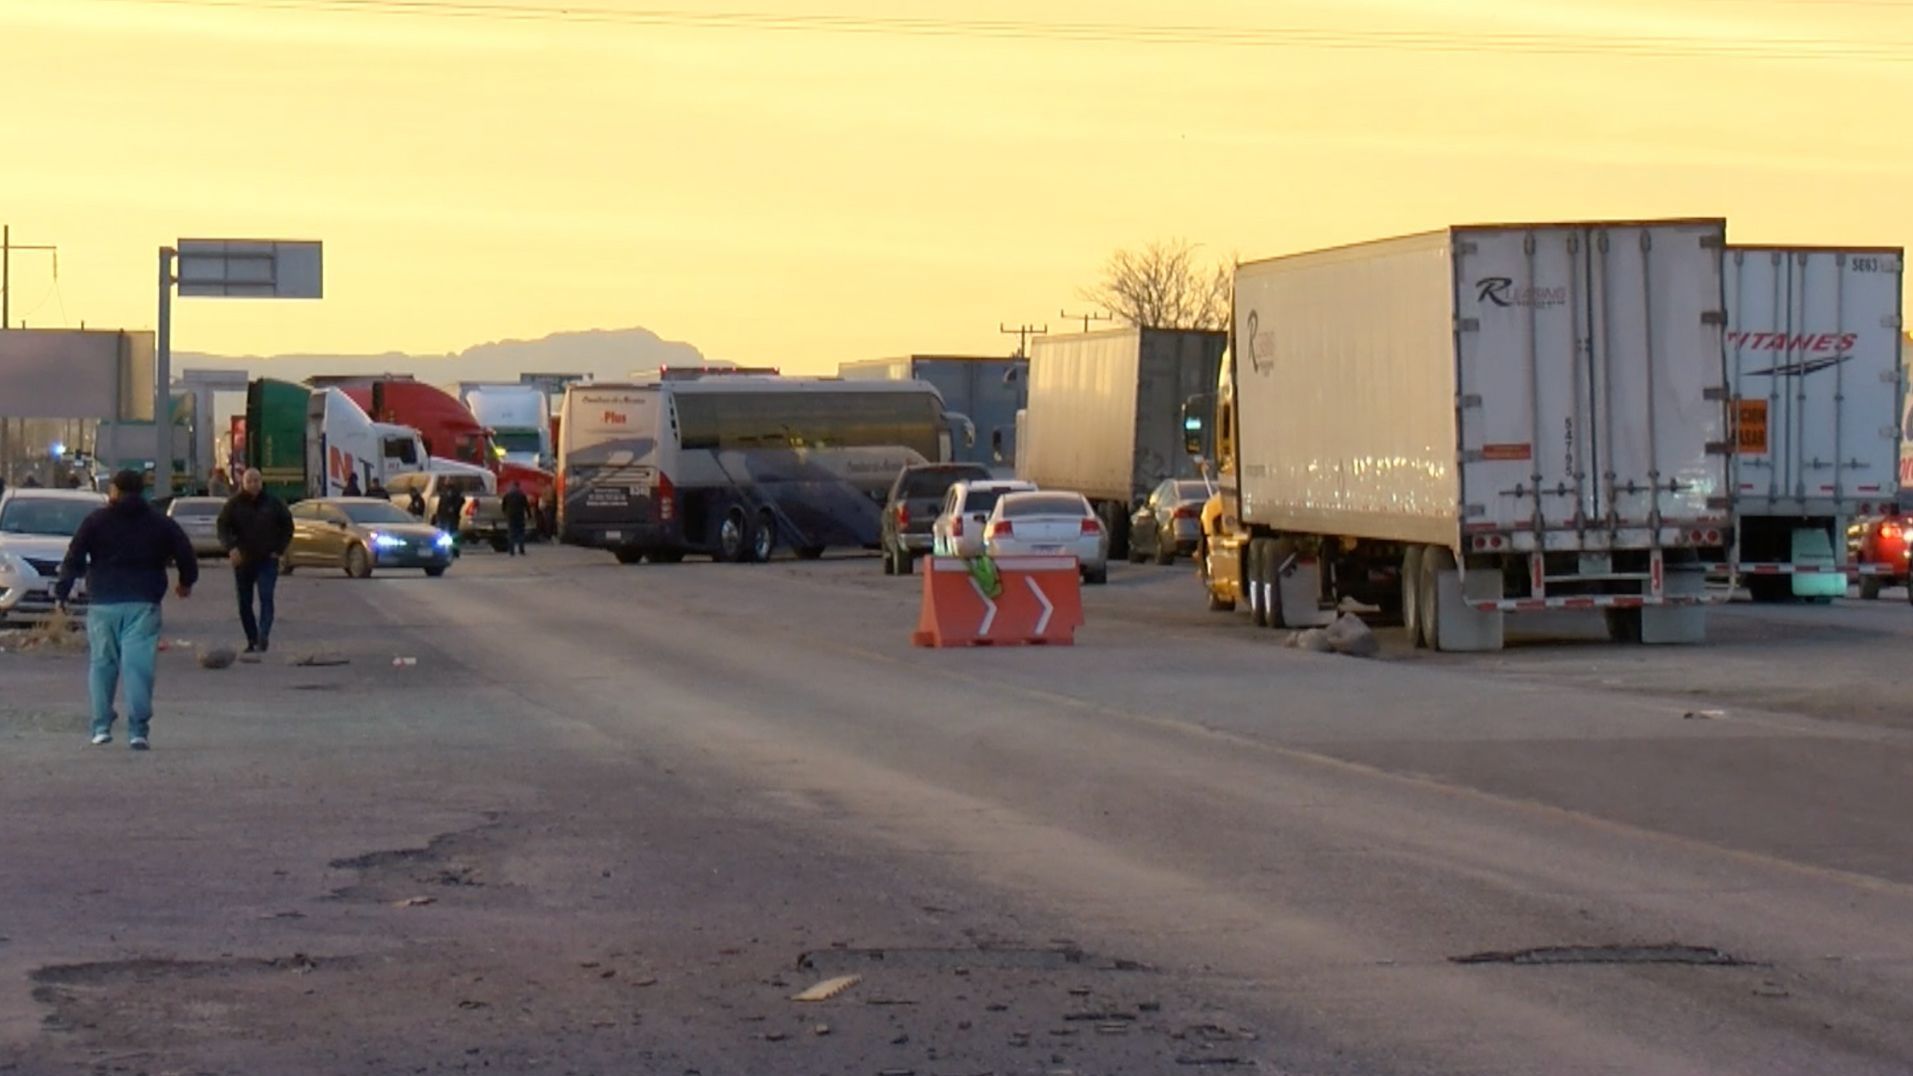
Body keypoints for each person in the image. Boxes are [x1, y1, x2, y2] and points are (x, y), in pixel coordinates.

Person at [53, 470, 198, 751]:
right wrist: (185, 582)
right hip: (143, 602)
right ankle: (138, 731)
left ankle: (101, 727)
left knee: (102, 664)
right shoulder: (159, 522)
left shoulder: (96, 521)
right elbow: (185, 552)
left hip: (103, 601)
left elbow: (74, 555)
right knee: (138, 667)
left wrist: (62, 593)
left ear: (116, 491)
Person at [216, 468, 294, 654]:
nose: (253, 484)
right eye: (249, 481)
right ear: (243, 483)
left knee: (266, 596)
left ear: (261, 482)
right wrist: (231, 547)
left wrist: (279, 549)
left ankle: (263, 635)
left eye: (256, 480)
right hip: (243, 560)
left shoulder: (273, 503)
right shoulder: (234, 505)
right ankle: (252, 639)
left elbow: (287, 526)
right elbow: (222, 527)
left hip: (267, 559)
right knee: (244, 602)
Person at [434, 484, 466, 557]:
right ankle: (445, 550)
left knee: (453, 534)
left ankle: (455, 551)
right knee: (444, 534)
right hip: (444, 516)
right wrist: (438, 515)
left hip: (453, 517)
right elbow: (440, 505)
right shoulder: (443, 495)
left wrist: (454, 508)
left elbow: (461, 500)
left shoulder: (456, 494)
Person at [501, 481, 531, 557]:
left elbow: (503, 505)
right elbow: (526, 506)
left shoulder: (508, 495)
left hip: (510, 515)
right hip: (520, 515)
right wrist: (529, 515)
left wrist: (505, 513)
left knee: (511, 533)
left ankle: (511, 551)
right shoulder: (522, 495)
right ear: (518, 486)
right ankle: (521, 550)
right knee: (521, 532)